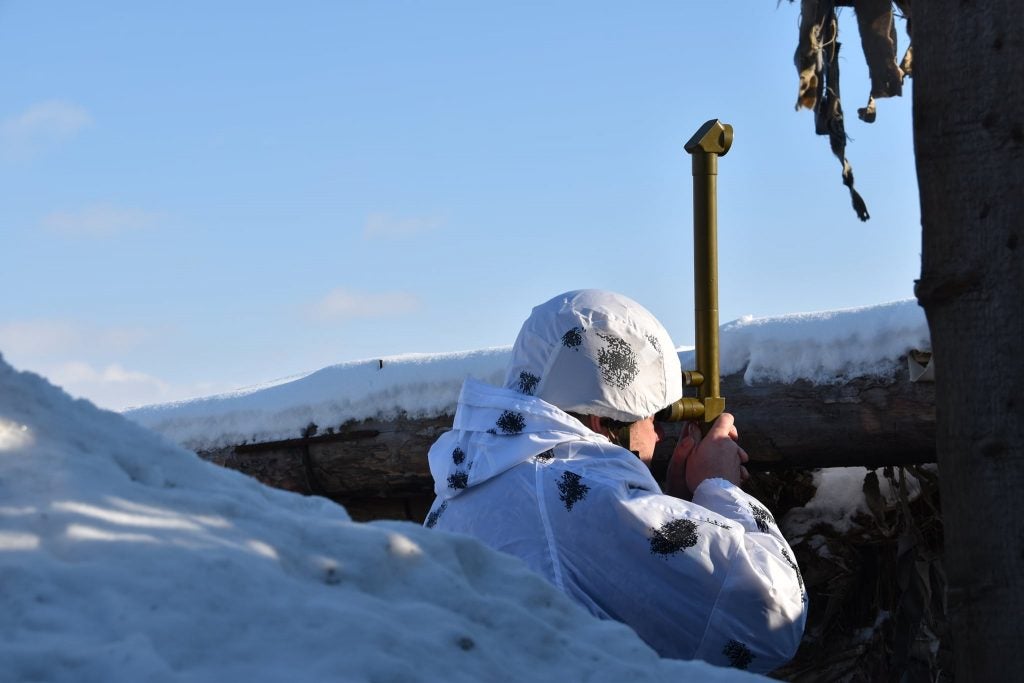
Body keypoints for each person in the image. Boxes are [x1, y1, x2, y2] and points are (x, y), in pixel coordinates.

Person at [423, 289, 807, 673]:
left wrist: (677, 504)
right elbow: (769, 619)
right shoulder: (584, 493)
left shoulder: (467, 486)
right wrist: (721, 489)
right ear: (601, 420)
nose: (657, 436)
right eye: (651, 419)